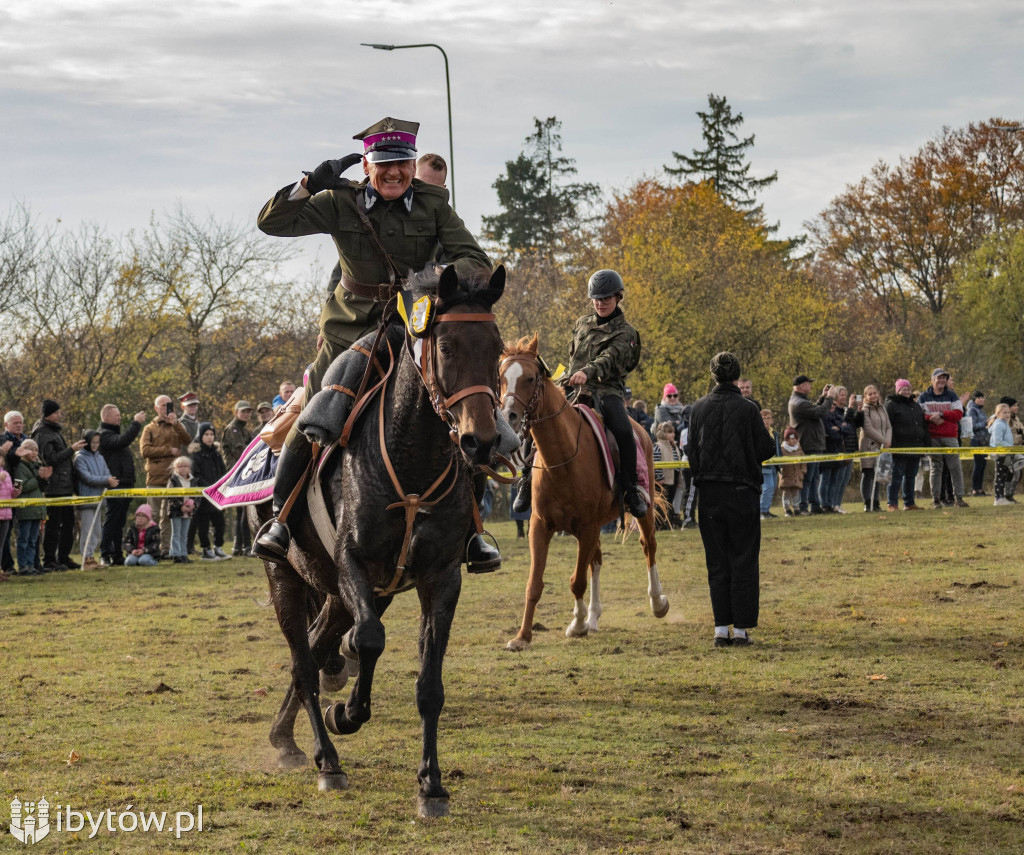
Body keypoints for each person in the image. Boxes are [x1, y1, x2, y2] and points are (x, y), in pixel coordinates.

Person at [253, 116, 499, 570]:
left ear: (411, 164)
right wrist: (308, 184)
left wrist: (427, 281)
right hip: (348, 330)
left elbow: (474, 260)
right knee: (313, 411)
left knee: (459, 409)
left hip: (411, 326)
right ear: (366, 165)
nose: (394, 172)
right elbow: (271, 223)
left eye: (402, 163)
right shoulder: (340, 201)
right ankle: (280, 519)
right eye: (383, 163)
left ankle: (472, 532)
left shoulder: (433, 205)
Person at [685, 352, 776, 648]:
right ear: (737, 376)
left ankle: (720, 628)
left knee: (717, 561)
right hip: (742, 493)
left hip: (709, 495)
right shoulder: (749, 409)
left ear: (713, 375)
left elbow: (691, 452)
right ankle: (741, 630)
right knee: (744, 560)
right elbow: (766, 448)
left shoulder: (697, 409)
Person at [559, 269, 646, 517]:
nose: (601, 303)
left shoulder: (627, 332)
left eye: (606, 298)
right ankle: (526, 477)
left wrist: (588, 371)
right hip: (573, 388)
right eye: (596, 298)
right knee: (538, 415)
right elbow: (572, 358)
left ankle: (631, 489)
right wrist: (562, 377)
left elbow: (610, 359)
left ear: (618, 297)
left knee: (623, 431)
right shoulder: (581, 324)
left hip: (606, 391)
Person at [31, 399, 86, 571]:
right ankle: (50, 558)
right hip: (54, 487)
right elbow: (49, 460)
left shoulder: (54, 431)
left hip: (65, 485)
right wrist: (71, 449)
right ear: (48, 414)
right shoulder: (43, 433)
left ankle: (63, 557)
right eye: (56, 413)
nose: (59, 415)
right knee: (54, 525)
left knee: (68, 523)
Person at [141, 395, 191, 558]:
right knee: (154, 514)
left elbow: (187, 440)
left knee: (170, 515)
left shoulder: (176, 425)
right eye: (162, 406)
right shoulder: (149, 428)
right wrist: (167, 450)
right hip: (156, 477)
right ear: (156, 408)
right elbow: (145, 451)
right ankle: (151, 548)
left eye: (168, 405)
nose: (165, 408)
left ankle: (166, 549)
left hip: (174, 479)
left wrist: (175, 424)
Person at [97, 404, 147, 566]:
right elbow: (123, 440)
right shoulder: (104, 435)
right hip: (115, 484)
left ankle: (117, 554)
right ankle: (105, 553)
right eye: (116, 415)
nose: (119, 417)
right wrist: (136, 423)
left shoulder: (113, 436)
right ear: (106, 417)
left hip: (125, 483)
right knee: (112, 520)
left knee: (120, 521)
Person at [918, 368, 968, 509]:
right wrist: (930, 418)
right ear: (932, 380)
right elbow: (918, 416)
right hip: (932, 437)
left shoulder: (952, 395)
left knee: (955, 468)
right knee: (936, 468)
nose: (941, 381)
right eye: (938, 378)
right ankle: (936, 500)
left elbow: (958, 414)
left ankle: (959, 498)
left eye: (944, 378)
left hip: (950, 437)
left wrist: (941, 414)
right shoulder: (923, 397)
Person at [73, 430, 118, 568]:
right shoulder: (79, 457)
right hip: (87, 499)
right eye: (92, 442)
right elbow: (86, 477)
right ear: (87, 442)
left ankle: (91, 556)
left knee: (97, 530)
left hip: (99, 500)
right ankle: (86, 558)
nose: (95, 445)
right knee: (87, 529)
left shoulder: (100, 457)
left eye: (97, 442)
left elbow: (106, 472)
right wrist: (106, 480)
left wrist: (110, 479)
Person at [788, 375, 831, 515]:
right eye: (808, 384)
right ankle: (802, 506)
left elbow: (814, 410)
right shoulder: (799, 403)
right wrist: (829, 398)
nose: (810, 386)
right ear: (801, 386)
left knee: (813, 477)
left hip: (813, 443)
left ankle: (814, 505)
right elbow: (820, 412)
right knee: (807, 478)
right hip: (809, 444)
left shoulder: (801, 401)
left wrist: (822, 397)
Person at [884, 379, 928, 511]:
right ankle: (892, 503)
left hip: (916, 446)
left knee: (911, 475)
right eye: (904, 389)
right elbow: (887, 426)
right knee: (896, 475)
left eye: (909, 388)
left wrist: (925, 443)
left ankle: (909, 502)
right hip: (899, 446)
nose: (907, 391)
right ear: (898, 390)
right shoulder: (891, 405)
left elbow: (922, 425)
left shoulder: (915, 405)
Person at [189, 422, 229, 560]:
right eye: (206, 434)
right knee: (203, 524)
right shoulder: (196, 455)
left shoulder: (217, 455)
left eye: (212, 434)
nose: (210, 437)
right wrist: (209, 488)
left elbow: (223, 472)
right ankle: (206, 549)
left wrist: (221, 486)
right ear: (201, 436)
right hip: (204, 495)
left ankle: (218, 547)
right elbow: (196, 475)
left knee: (220, 523)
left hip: (217, 495)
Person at [222, 401, 254, 556]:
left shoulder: (244, 430)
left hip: (243, 472)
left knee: (243, 511)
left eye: (248, 412)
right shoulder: (233, 429)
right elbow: (241, 451)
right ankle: (245, 546)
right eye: (243, 412)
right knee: (244, 510)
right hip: (238, 473)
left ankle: (239, 546)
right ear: (236, 412)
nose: (246, 414)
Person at [854, 385, 892, 512]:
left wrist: (887, 441)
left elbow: (888, 426)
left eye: (874, 393)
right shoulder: (865, 410)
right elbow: (868, 429)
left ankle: (876, 503)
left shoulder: (883, 408)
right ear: (865, 397)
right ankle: (867, 502)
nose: (873, 396)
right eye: (870, 394)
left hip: (882, 448)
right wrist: (883, 440)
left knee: (878, 475)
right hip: (869, 446)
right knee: (868, 474)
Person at [13, 440, 47, 575]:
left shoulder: (37, 466)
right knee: (24, 539)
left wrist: (45, 479)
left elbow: (42, 488)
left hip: (37, 509)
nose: (34, 453)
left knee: (33, 540)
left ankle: (31, 564)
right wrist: (38, 478)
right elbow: (23, 487)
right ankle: (23, 566)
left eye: (36, 450)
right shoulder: (21, 467)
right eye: (31, 450)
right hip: (26, 509)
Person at [2, 410, 29, 574]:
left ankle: (29, 564)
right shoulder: (2, 440)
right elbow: (4, 462)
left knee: (28, 529)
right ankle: (7, 565)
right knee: (5, 530)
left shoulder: (27, 440)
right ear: (6, 425)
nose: (19, 425)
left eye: (21, 422)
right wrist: (12, 454)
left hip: (26, 490)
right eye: (15, 423)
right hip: (5, 492)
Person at [652, 420, 682, 528]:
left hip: (673, 478)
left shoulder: (674, 446)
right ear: (663, 433)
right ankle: (658, 524)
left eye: (673, 432)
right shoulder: (658, 446)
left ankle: (667, 523)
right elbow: (656, 463)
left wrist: (679, 480)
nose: (673, 434)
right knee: (662, 503)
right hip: (663, 479)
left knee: (669, 502)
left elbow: (678, 464)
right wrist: (660, 477)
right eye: (670, 432)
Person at [167, 456, 197, 562]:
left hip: (188, 512)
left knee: (184, 534)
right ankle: (176, 555)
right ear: (175, 468)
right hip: (176, 511)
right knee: (176, 534)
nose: (183, 468)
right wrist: (181, 506)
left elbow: (196, 496)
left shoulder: (193, 481)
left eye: (185, 466)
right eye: (180, 466)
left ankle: (184, 554)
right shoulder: (173, 480)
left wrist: (193, 506)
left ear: (189, 468)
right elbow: (170, 496)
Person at [988, 403, 1015, 506]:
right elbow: (997, 440)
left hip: (1005, 454)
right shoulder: (999, 424)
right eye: (1004, 412)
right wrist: (1009, 447)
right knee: (999, 476)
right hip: (1000, 454)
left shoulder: (1005, 423)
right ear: (998, 413)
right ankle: (998, 498)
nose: (1007, 414)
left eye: (1008, 412)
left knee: (1004, 475)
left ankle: (1002, 497)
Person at [778, 426, 805, 517]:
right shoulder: (782, 449)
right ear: (787, 439)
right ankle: (787, 510)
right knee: (786, 493)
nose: (793, 441)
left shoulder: (799, 449)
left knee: (795, 493)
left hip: (796, 476)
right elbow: (779, 463)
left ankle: (796, 509)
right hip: (786, 475)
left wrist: (802, 472)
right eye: (791, 439)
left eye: (795, 439)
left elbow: (804, 462)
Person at [0, 462, 21, 581]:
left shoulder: (6, 474)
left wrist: (16, 492)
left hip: (6, 514)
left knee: (1, 545)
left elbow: (9, 494)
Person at [759, 409, 781, 519]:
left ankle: (766, 510)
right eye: (763, 418)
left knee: (772, 488)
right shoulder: (758, 432)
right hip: (764, 466)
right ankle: (762, 511)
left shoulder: (775, 433)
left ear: (772, 420)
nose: (766, 421)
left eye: (768, 418)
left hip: (774, 465)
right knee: (768, 487)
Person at [1002, 396, 1024, 502]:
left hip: (1018, 449)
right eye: (1014, 405)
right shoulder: (1005, 420)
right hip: (1008, 450)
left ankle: (1010, 494)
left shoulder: (1016, 419)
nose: (1016, 407)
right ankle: (1006, 494)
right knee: (1010, 473)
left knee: (1018, 473)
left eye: (1016, 405)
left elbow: (1020, 431)